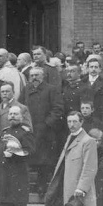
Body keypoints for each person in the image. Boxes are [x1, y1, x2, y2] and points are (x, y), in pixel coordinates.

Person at [45, 111, 98, 206]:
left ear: (81, 122)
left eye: (75, 122)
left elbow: (90, 167)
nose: (72, 125)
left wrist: (82, 187)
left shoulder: (88, 141)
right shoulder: (71, 137)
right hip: (67, 182)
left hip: (79, 187)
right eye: (69, 122)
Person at [23, 66, 63, 198]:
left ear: (43, 76)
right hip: (29, 129)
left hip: (46, 132)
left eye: (37, 75)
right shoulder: (26, 89)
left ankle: (42, 186)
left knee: (44, 161)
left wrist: (46, 124)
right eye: (32, 75)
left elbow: (58, 109)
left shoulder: (51, 89)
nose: (34, 78)